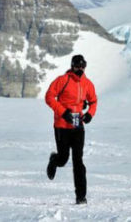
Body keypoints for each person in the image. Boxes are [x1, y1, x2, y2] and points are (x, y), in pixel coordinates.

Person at [45, 54, 97, 205]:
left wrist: (90, 115)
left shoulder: (87, 84)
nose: (80, 69)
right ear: (72, 66)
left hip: (78, 126)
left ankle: (81, 196)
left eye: (83, 66)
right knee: (63, 158)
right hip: (62, 125)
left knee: (78, 161)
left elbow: (93, 101)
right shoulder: (62, 80)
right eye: (77, 66)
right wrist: (63, 112)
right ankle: (55, 160)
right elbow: (49, 97)